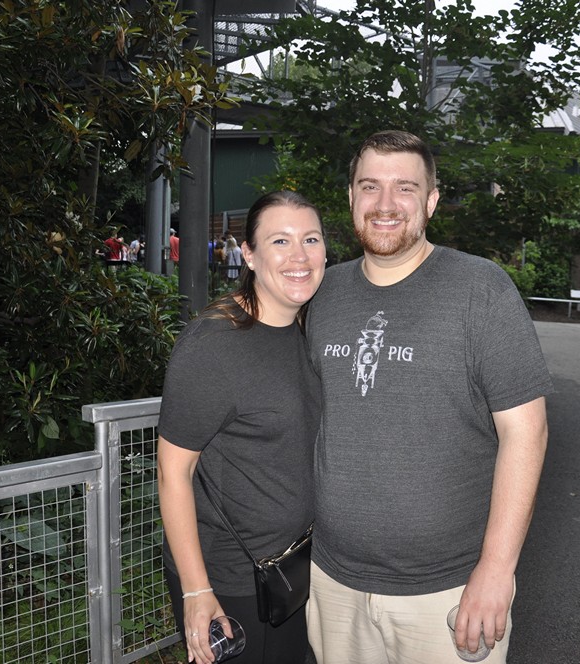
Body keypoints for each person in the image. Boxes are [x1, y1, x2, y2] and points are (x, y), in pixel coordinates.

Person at [304, 130, 553, 664]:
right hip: (333, 582)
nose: (386, 204)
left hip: (449, 592)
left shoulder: (480, 290)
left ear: (431, 201)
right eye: (370, 187)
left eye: (406, 188)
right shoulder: (322, 294)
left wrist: (496, 569)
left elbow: (526, 433)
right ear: (350, 197)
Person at [158, 191, 327, 664]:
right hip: (230, 579)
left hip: (293, 568)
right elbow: (174, 472)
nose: (299, 256)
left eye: (310, 239)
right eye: (280, 240)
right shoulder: (214, 345)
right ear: (248, 255)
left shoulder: (308, 329)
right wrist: (196, 591)